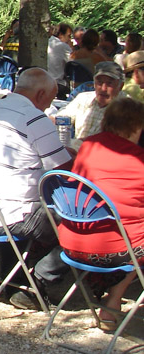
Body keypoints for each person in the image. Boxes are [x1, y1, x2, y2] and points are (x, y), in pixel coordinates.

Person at [0, 68, 73, 309]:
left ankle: (14, 281)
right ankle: (35, 281)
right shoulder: (33, 116)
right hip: (8, 217)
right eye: (51, 99)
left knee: (17, 196)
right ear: (41, 94)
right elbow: (64, 170)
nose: (49, 105)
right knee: (78, 221)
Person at [55, 98, 144, 330]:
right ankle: (113, 300)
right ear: (136, 126)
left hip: (73, 243)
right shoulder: (139, 159)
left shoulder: (88, 146)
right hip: (114, 250)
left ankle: (110, 298)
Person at [57, 61, 126, 140]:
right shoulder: (84, 98)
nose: (103, 89)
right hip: (76, 149)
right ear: (94, 83)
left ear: (120, 86)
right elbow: (61, 118)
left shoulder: (126, 108)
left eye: (109, 83)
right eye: (99, 82)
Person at [48, 23, 74, 97]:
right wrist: (71, 49)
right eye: (68, 36)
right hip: (58, 84)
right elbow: (74, 63)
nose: (69, 39)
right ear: (60, 35)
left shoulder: (46, 43)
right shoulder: (63, 46)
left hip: (43, 81)